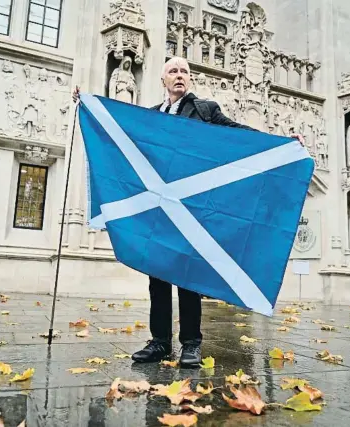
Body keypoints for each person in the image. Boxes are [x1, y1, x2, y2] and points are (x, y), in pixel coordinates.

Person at [72, 56, 304, 367]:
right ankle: (159, 343)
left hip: (191, 210)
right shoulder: (151, 117)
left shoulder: (205, 109)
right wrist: (88, 106)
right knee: (157, 278)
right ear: (163, 79)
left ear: (190, 79)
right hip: (157, 213)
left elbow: (239, 135)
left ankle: (191, 344)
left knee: (188, 277)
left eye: (184, 71)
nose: (179, 75)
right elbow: (120, 136)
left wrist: (283, 144)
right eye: (173, 71)